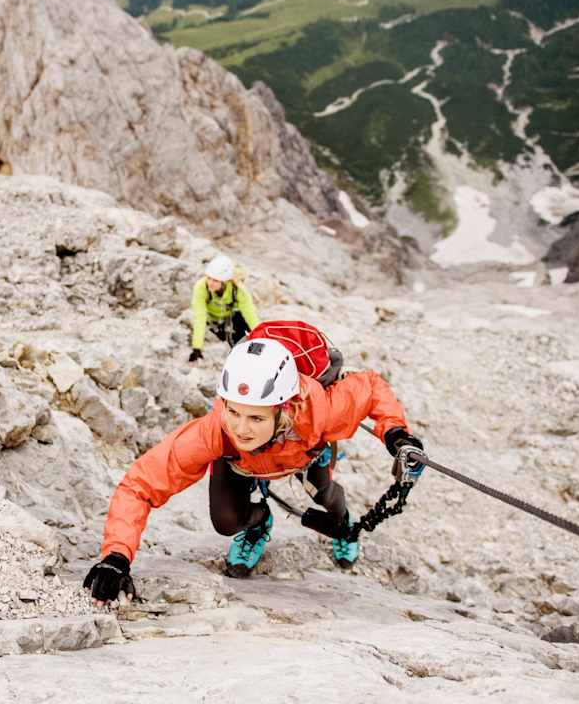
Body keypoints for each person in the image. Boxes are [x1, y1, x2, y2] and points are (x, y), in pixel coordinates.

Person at [83, 337, 425, 604]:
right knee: (225, 522)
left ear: (284, 410)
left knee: (330, 506)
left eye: (256, 417)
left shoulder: (323, 410)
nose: (241, 429)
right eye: (233, 412)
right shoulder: (216, 431)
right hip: (241, 465)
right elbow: (141, 484)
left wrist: (396, 433)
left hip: (304, 454)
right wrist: (116, 556)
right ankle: (259, 522)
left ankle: (345, 523)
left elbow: (372, 387)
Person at [188, 254, 260, 363]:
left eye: (215, 280)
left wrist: (261, 337)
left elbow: (251, 316)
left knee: (242, 325)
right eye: (209, 278)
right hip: (212, 321)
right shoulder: (201, 287)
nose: (210, 283)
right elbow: (200, 317)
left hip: (230, 317)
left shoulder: (238, 290)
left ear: (225, 281)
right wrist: (197, 348)